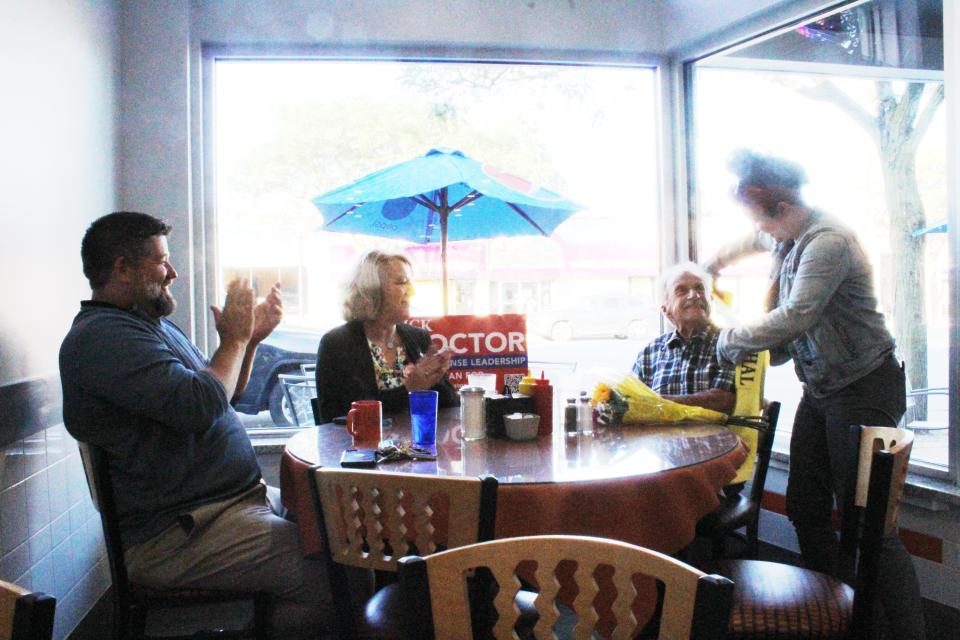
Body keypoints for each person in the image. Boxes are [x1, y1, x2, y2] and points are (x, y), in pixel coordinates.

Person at [59, 212, 332, 639]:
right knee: (333, 575)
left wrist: (251, 339)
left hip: (223, 509)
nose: (173, 272)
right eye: (161, 261)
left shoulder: (148, 327)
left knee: (336, 530)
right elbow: (200, 406)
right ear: (122, 268)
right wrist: (235, 340)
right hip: (178, 534)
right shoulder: (102, 338)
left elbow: (223, 396)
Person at [707, 150, 924, 639]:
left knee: (870, 525)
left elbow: (797, 315)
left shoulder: (826, 243)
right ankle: (842, 614)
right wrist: (712, 264)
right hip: (823, 388)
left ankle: (908, 631)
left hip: (865, 385)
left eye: (759, 216)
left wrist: (730, 340)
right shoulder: (785, 228)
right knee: (806, 505)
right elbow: (750, 238)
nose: (760, 231)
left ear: (780, 205)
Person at [316, 249, 458, 423]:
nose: (412, 292)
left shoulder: (418, 338)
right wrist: (409, 389)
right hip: (360, 449)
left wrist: (437, 378)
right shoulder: (338, 344)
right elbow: (345, 416)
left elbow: (450, 408)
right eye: (401, 282)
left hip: (418, 447)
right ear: (371, 291)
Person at [632, 262, 736, 414]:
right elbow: (630, 403)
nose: (694, 295)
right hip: (657, 437)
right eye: (682, 290)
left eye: (700, 288)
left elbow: (722, 402)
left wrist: (655, 402)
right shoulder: (649, 354)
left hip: (711, 437)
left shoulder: (729, 343)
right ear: (666, 310)